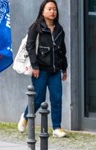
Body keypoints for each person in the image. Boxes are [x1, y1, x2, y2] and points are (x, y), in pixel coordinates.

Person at [17, 0, 68, 137]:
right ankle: (26, 116)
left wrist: (64, 68)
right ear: (42, 11)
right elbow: (30, 46)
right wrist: (35, 66)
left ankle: (57, 127)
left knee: (56, 98)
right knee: (38, 98)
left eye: (54, 9)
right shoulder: (36, 27)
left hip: (55, 70)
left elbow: (62, 50)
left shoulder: (59, 29)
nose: (53, 12)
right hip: (40, 69)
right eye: (50, 9)